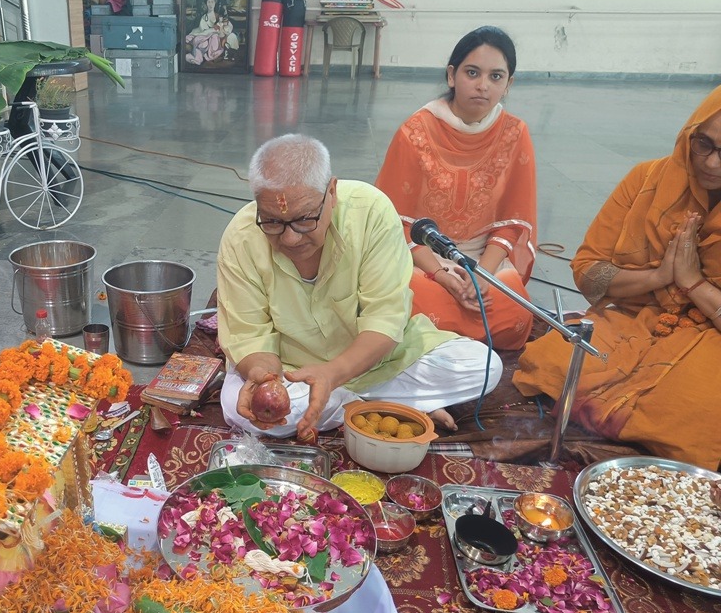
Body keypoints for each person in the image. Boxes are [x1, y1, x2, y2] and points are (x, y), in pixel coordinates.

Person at [217, 134, 503, 441]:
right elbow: (249, 335)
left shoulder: (371, 212)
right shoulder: (241, 237)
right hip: (289, 371)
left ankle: (342, 403)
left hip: (375, 361)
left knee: (483, 366)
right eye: (272, 222)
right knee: (238, 408)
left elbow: (385, 319)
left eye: (303, 220)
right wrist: (265, 377)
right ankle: (381, 407)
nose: (290, 238)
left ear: (332, 192)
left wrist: (331, 375)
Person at [514, 86, 721, 469]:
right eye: (702, 144)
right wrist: (660, 275)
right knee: (552, 358)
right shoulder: (647, 179)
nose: (710, 163)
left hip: (711, 334)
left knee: (698, 412)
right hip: (637, 315)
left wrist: (693, 282)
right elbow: (589, 272)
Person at [375, 26, 537, 351]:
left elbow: (511, 224)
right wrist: (442, 276)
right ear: (452, 75)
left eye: (496, 77)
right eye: (472, 72)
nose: (482, 85)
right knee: (412, 303)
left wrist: (480, 278)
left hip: (482, 259)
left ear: (508, 85)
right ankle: (450, 333)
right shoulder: (415, 132)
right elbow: (397, 224)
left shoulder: (515, 133)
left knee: (515, 309)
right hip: (423, 258)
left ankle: (445, 339)